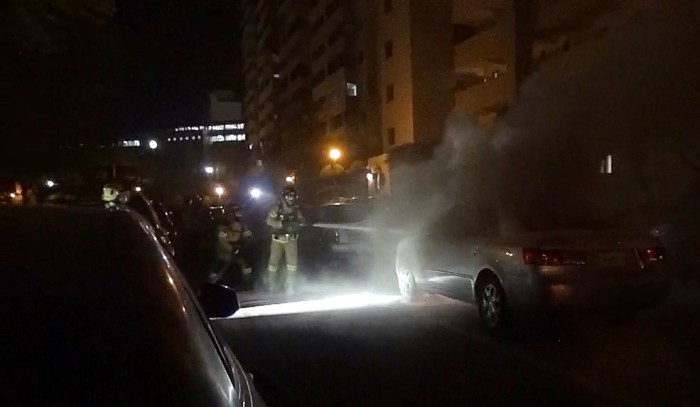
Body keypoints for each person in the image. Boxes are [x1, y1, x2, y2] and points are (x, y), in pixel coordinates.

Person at [265, 186, 304, 293]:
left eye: (293, 196)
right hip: (277, 239)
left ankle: (290, 285)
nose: (291, 198)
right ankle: (271, 284)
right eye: (289, 196)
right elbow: (269, 221)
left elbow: (301, 220)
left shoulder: (296, 209)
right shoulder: (277, 208)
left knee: (292, 264)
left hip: (291, 239)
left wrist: (297, 224)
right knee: (273, 264)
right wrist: (282, 224)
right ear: (284, 196)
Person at [208, 205, 253, 286]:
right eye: (237, 212)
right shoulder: (223, 226)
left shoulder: (241, 225)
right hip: (224, 250)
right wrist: (230, 249)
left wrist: (247, 239)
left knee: (245, 264)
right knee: (219, 265)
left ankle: (248, 281)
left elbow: (247, 235)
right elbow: (222, 240)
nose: (239, 214)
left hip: (237, 249)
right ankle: (213, 281)